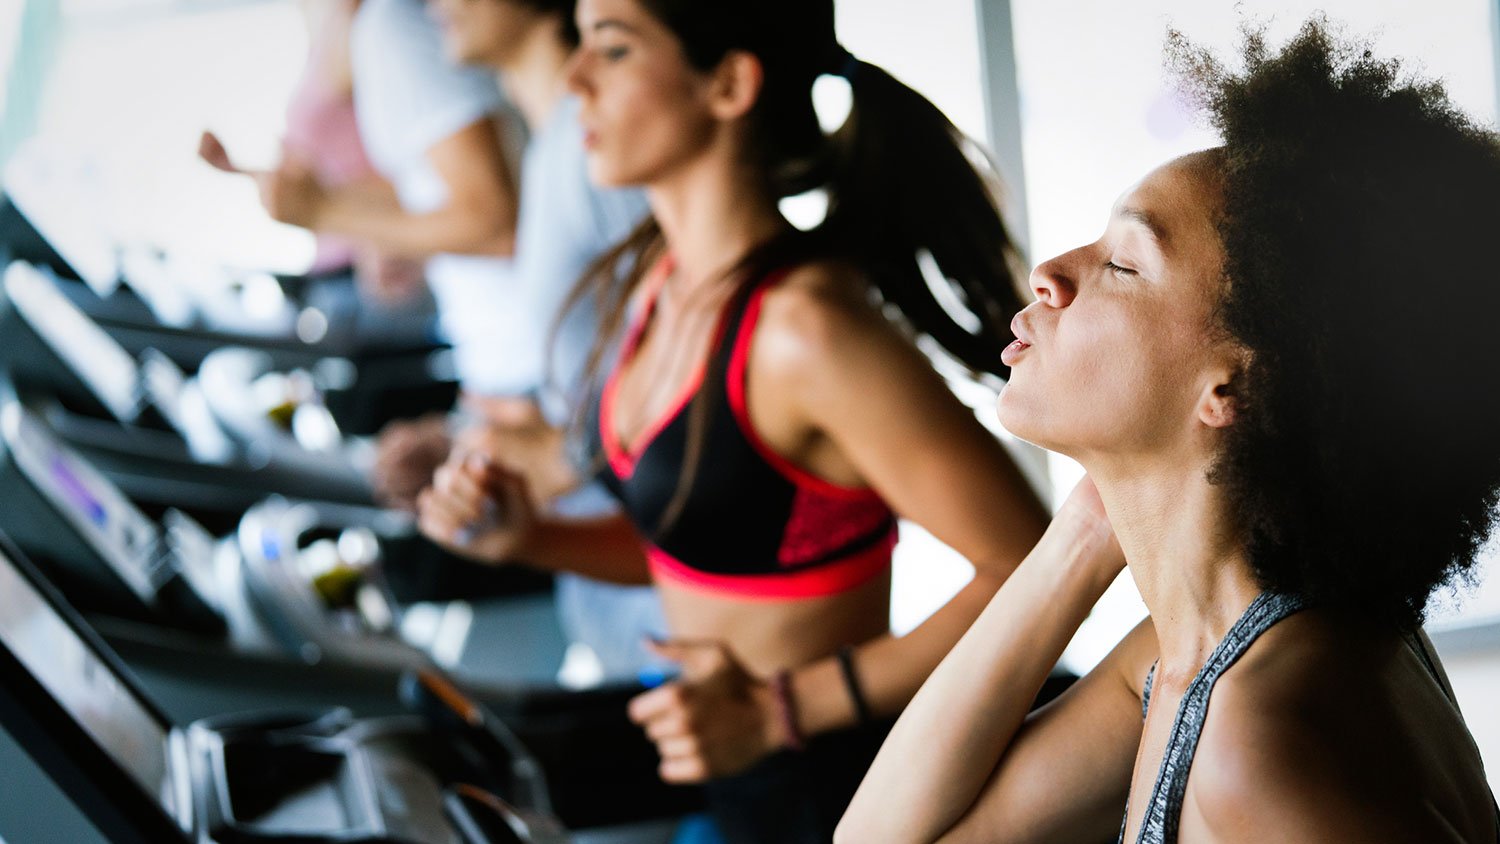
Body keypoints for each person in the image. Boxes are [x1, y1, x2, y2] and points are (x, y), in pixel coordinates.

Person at [839, 18, 1500, 844]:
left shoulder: (1265, 744)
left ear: (1233, 387)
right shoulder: (1186, 654)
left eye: (1123, 265)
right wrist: (1085, 530)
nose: (1050, 275)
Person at [416, 0, 1052, 840]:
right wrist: (528, 539)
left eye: (611, 48)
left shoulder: (808, 333)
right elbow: (704, 552)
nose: (573, 77)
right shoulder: (658, 279)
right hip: (731, 783)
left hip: (835, 795)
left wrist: (780, 711)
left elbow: (1031, 567)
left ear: (727, 84)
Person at [425, 0, 664, 677]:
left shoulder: (592, 156)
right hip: (626, 608)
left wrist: (567, 455)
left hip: (679, 631)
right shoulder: (556, 148)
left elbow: (692, 393)